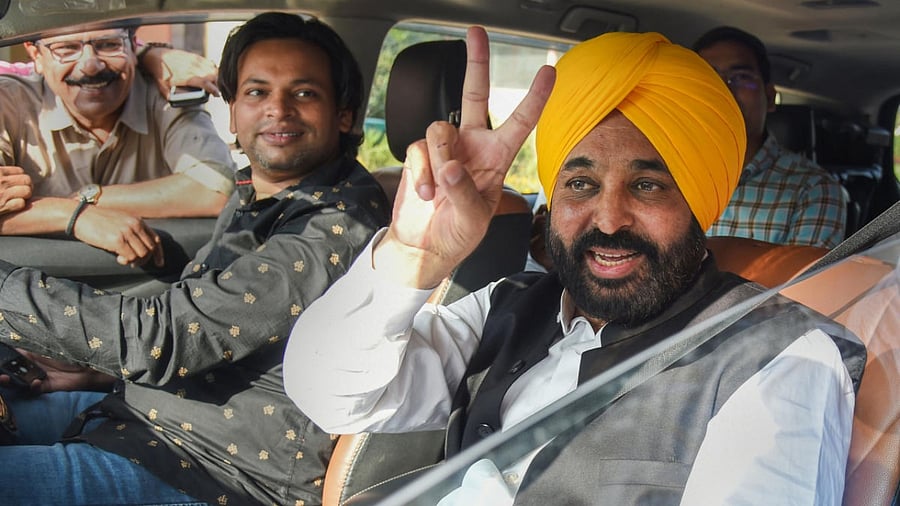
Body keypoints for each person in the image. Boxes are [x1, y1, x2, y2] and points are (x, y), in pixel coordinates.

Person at [283, 27, 865, 504]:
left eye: (648, 185)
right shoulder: (507, 306)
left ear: (700, 204)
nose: (609, 219)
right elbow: (332, 394)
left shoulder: (779, 356)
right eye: (581, 183)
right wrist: (410, 257)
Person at [0, 12, 389, 506]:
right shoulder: (263, 192)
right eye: (256, 92)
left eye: (304, 93)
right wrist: (95, 373)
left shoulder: (337, 223)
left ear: (345, 114)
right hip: (145, 420)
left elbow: (163, 336)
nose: (278, 110)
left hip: (216, 470)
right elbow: (213, 328)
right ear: (232, 111)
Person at [0, 26, 237, 266]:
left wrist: (89, 199)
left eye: (108, 45)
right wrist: (77, 216)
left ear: (134, 47)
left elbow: (215, 187)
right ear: (36, 56)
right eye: (67, 49)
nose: (90, 65)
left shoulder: (167, 94)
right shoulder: (8, 102)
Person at [694, 26, 847, 249]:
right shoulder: (665, 173)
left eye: (740, 77)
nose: (723, 91)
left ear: (770, 97)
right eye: (708, 78)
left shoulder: (813, 188)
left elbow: (804, 283)